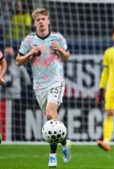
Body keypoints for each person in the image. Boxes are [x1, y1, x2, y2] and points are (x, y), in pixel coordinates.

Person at [16, 8, 71, 168]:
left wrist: (59, 49)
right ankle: (65, 143)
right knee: (52, 118)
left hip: (56, 81)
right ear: (34, 23)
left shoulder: (57, 38)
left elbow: (67, 56)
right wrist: (31, 53)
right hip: (39, 85)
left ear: (48, 21)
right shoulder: (29, 40)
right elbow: (19, 61)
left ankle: (52, 156)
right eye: (37, 19)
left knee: (50, 114)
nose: (41, 22)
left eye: (43, 19)